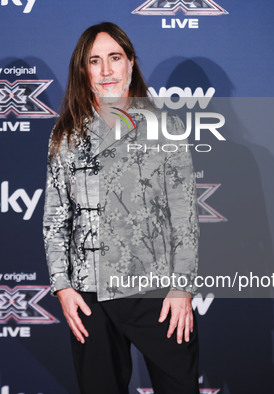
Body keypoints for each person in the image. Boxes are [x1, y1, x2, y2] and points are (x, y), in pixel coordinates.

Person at [43, 22, 200, 394]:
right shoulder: (66, 134)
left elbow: (185, 216)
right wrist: (63, 288)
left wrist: (182, 289)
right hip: (89, 296)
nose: (107, 70)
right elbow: (55, 218)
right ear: (84, 71)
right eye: (95, 61)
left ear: (131, 63)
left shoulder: (166, 127)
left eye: (115, 58)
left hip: (156, 294)